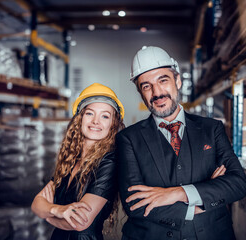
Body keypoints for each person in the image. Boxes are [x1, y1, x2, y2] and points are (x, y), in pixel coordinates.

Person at [116, 46, 246, 240]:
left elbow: (237, 183)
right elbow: (134, 203)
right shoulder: (128, 139)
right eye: (146, 86)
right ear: (140, 93)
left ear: (177, 80)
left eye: (163, 80)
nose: (157, 92)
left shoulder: (212, 129)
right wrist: (204, 197)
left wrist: (178, 193)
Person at [31, 83, 125, 240]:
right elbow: (36, 205)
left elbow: (80, 222)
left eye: (105, 116)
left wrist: (48, 214)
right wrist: (58, 211)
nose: (96, 121)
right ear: (80, 118)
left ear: (113, 124)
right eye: (90, 113)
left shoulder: (109, 162)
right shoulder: (70, 159)